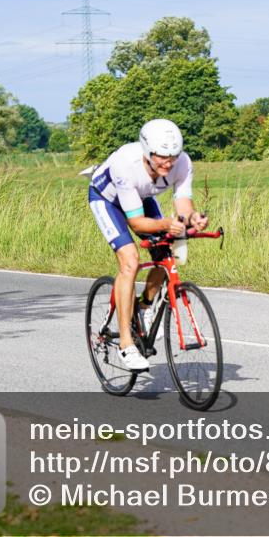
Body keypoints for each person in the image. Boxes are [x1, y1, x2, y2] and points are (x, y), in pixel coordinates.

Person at [88, 119, 208, 372]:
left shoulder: (183, 163)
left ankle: (143, 306)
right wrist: (167, 224)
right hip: (107, 200)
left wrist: (192, 219)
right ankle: (126, 345)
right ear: (147, 151)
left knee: (166, 253)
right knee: (130, 262)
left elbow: (183, 204)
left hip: (141, 197)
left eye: (173, 156)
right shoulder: (126, 163)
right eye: (162, 157)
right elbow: (137, 223)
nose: (169, 162)